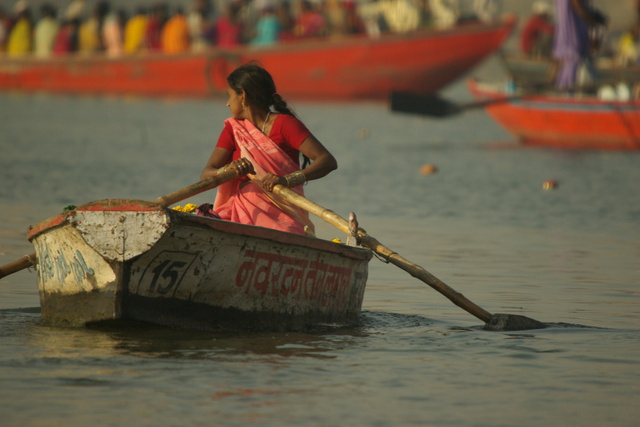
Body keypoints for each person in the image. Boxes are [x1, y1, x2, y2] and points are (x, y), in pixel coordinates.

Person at [200, 62, 338, 236]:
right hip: (238, 213)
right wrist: (229, 169)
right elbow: (207, 173)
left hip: (284, 214)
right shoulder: (232, 129)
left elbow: (327, 161)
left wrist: (287, 180)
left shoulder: (285, 125)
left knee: (287, 232)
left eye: (229, 96)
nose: (228, 103)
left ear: (242, 96)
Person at [552, 0, 605, 91]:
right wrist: (591, 20)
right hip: (573, 35)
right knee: (573, 61)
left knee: (566, 60)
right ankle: (564, 92)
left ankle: (560, 89)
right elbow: (576, 4)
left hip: (568, 36)